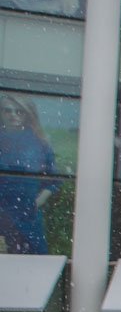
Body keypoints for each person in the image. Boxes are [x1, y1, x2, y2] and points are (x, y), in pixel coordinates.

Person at [0, 93, 57, 255]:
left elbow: (53, 181)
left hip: (29, 219)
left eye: (19, 111)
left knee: (35, 263)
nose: (13, 115)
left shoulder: (40, 143)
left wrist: (35, 203)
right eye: (7, 110)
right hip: (1, 214)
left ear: (27, 114)